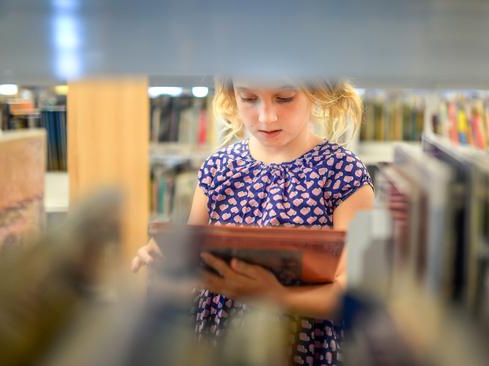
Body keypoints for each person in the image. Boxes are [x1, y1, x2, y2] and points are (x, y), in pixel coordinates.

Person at [131, 77, 374, 365]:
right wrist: (168, 257)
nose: (266, 117)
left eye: (284, 98)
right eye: (248, 99)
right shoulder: (218, 168)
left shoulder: (344, 173)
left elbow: (357, 292)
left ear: (316, 91)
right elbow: (193, 261)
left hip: (301, 344)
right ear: (232, 96)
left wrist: (276, 295)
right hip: (219, 340)